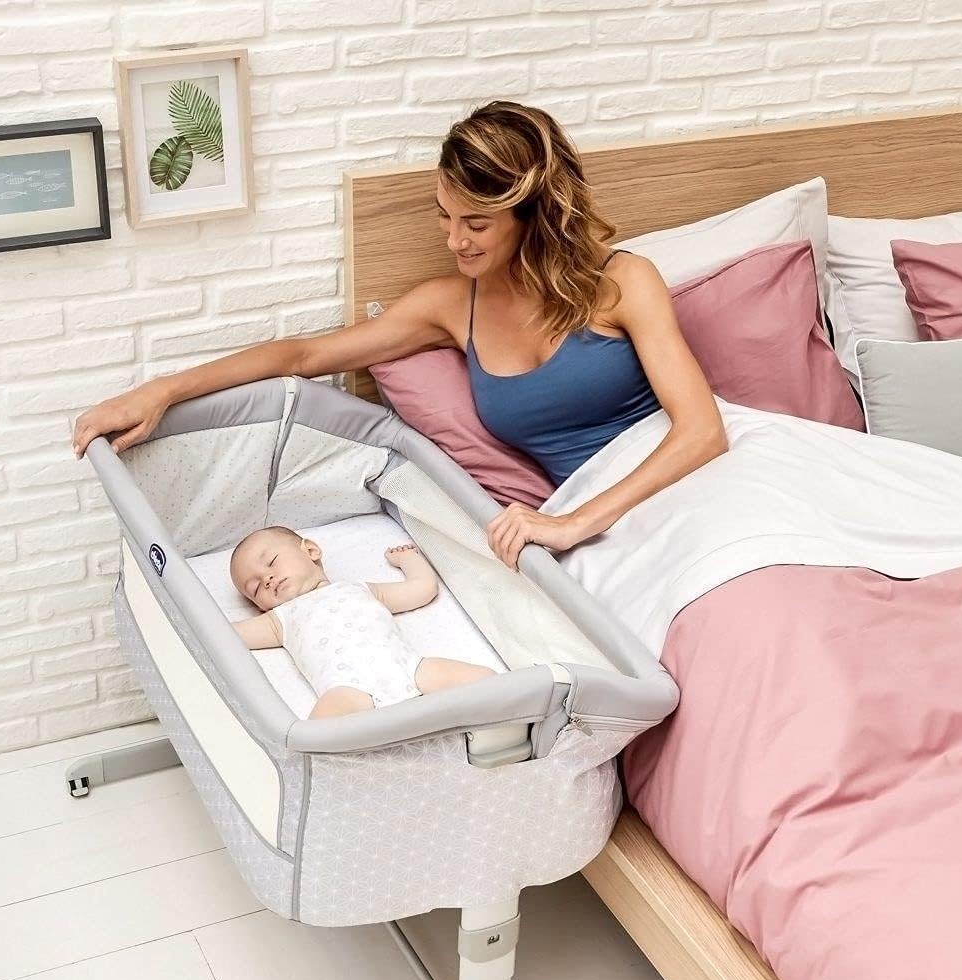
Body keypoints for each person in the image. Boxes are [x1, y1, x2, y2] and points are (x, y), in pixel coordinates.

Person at [73, 100, 728, 571]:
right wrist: (163, 390)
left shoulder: (622, 281)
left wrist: (573, 523)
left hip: (696, 479)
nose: (454, 240)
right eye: (444, 216)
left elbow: (703, 432)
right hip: (607, 522)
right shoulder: (450, 306)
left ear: (532, 217)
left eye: (476, 224)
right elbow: (303, 354)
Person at [229, 527, 494, 719]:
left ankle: (490, 738)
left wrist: (409, 559)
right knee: (316, 740)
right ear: (260, 606)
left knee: (489, 684)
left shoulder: (360, 589)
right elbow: (225, 636)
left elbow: (422, 588)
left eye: (271, 562)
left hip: (409, 668)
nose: (267, 579)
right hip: (347, 690)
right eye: (255, 588)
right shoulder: (280, 619)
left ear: (310, 550)